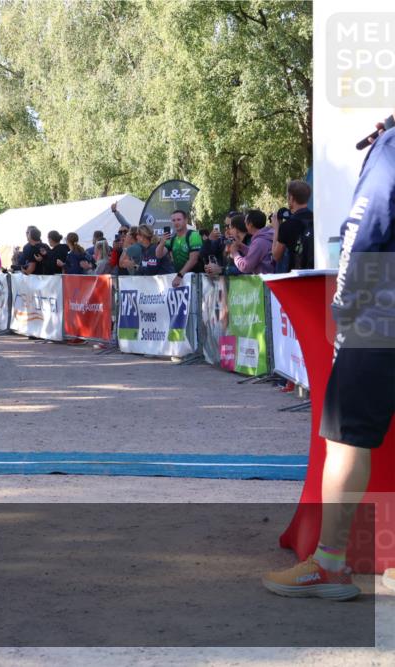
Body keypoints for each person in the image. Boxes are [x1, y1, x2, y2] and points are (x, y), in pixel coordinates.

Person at [262, 111, 395, 600]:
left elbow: (364, 229)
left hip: (383, 311)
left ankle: (330, 565)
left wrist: (344, 304)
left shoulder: (390, 147)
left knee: (345, 440)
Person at [272, 180, 314, 272]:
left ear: (291, 198)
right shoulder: (316, 219)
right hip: (316, 274)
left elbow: (276, 256)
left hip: (296, 277)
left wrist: (276, 229)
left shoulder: (287, 225)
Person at [155, 209, 203, 287]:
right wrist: (162, 242)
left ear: (186, 220)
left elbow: (194, 259)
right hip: (181, 280)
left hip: (195, 279)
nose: (176, 222)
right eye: (173, 220)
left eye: (179, 219)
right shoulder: (173, 238)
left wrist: (179, 275)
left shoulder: (194, 235)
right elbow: (158, 255)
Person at [229, 210, 274, 275]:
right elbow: (256, 254)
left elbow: (245, 266)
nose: (244, 224)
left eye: (245, 222)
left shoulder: (259, 242)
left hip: (264, 282)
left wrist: (235, 254)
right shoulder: (265, 237)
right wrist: (242, 247)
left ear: (250, 224)